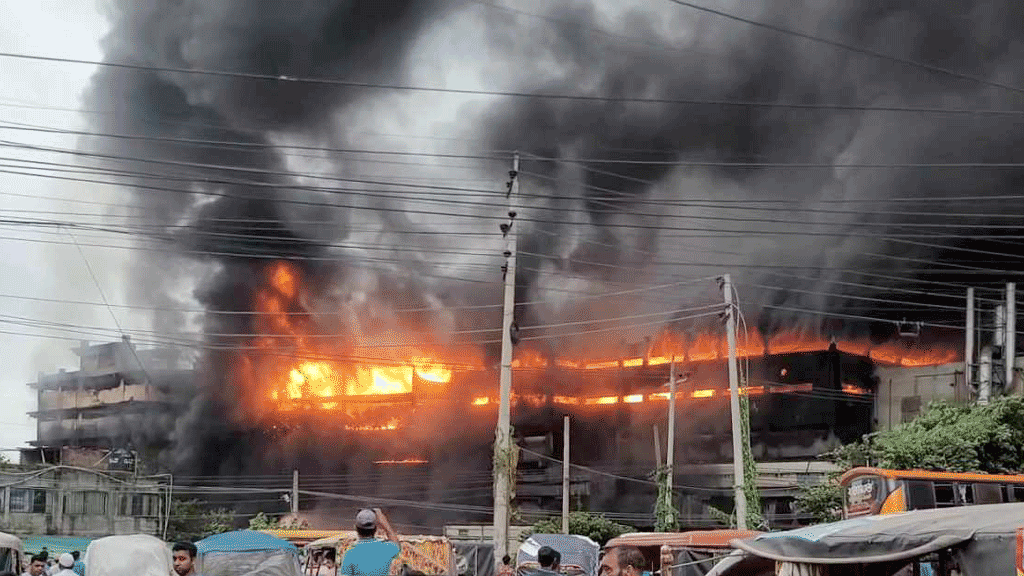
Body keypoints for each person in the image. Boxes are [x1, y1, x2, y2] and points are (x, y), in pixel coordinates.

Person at [339, 508, 400, 576]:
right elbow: (396, 544)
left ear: (356, 528)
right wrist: (384, 522)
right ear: (375, 529)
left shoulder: (349, 554)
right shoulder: (386, 548)